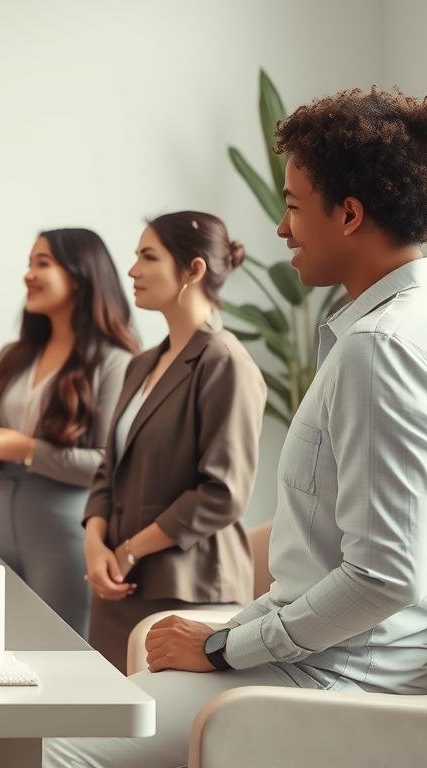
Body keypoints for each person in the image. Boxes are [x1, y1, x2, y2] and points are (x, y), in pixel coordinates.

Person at [47, 87, 427, 767]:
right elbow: (331, 568)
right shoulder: (421, 327)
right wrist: (234, 630)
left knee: (49, 750)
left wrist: (222, 646)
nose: (280, 228)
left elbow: (383, 575)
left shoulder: (384, 349)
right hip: (330, 659)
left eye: (295, 207)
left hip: (343, 681)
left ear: (351, 214)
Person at [81, 211, 265, 671]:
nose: (132, 271)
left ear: (194, 270)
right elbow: (110, 467)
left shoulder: (224, 362)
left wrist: (127, 551)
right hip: (118, 585)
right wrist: (95, 543)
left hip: (185, 593)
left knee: (156, 738)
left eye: (148, 256)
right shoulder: (140, 365)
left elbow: (222, 494)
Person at [0, 228, 138, 636]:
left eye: (43, 263)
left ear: (79, 275)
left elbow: (108, 465)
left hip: (64, 537)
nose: (28, 275)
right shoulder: (14, 356)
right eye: (29, 263)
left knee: (59, 657)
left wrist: (25, 448)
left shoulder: (115, 362)